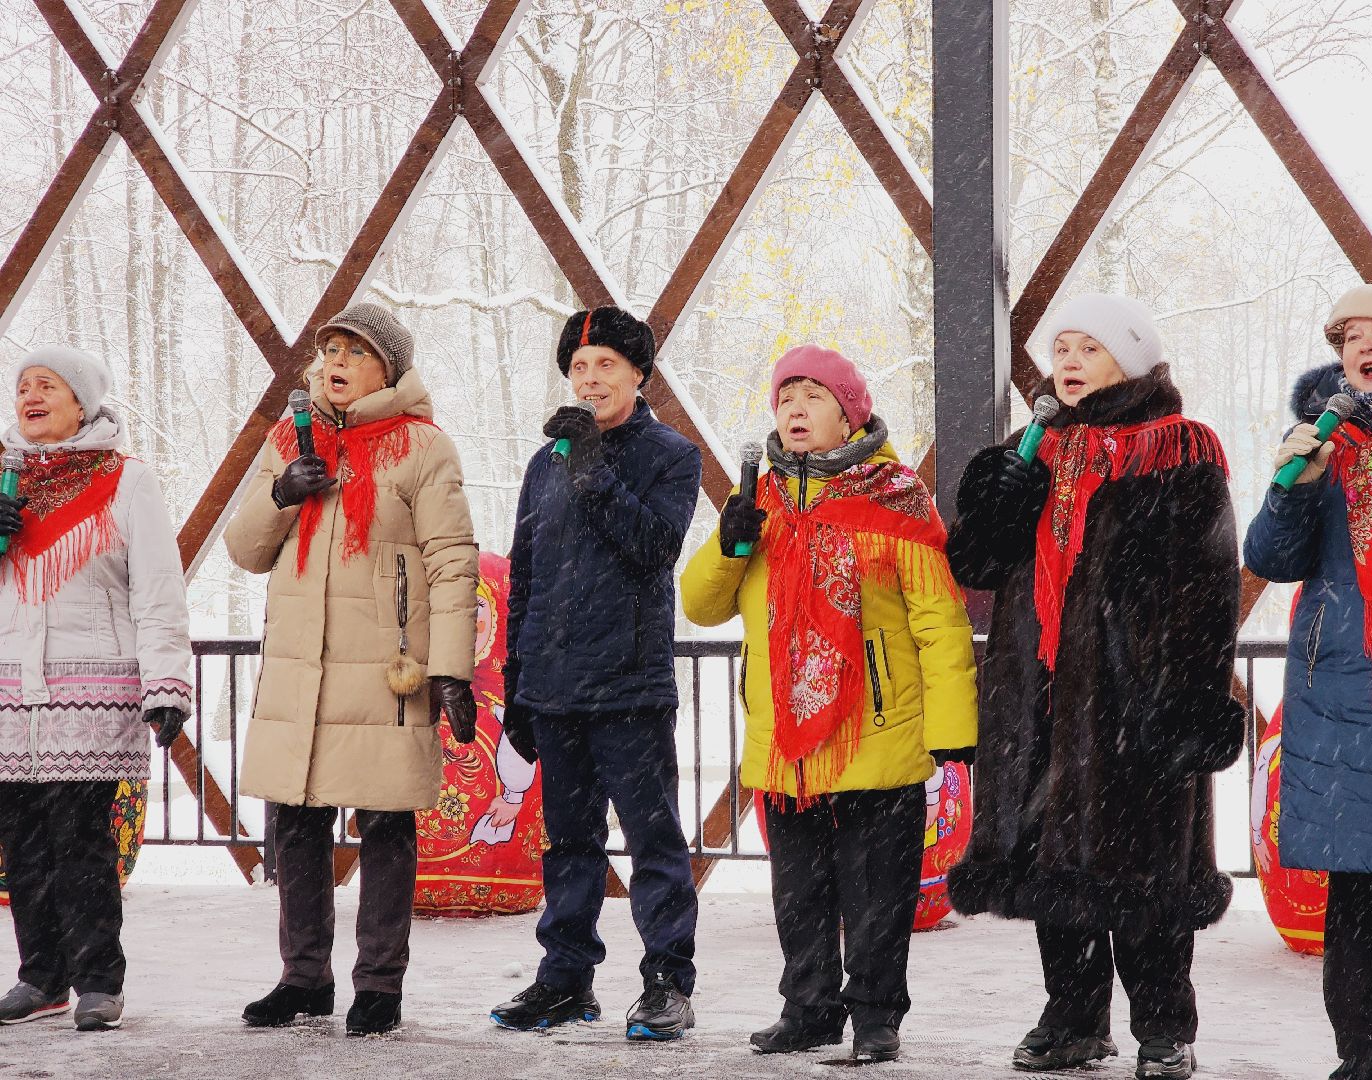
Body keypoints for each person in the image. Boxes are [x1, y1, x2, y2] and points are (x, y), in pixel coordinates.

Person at [947, 294, 1242, 1080]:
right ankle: (1073, 1018)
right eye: (1062, 349)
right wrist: (993, 503)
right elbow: (974, 568)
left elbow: (1208, 581)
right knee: (1052, 868)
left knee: (1145, 868)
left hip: (1135, 697)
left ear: (1133, 359)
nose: (1068, 362)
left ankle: (1162, 1024)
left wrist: (1191, 692)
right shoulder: (1031, 447)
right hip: (1037, 692)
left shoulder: (1178, 446)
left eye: (1088, 348)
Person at [680, 344, 978, 1063]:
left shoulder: (895, 499)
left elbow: (938, 620)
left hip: (877, 731)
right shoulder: (757, 502)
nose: (795, 411)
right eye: (785, 399)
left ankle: (876, 1018)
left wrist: (952, 732)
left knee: (878, 899)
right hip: (785, 740)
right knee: (799, 894)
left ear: (850, 414)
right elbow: (700, 602)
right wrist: (730, 544)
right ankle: (808, 1009)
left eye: (812, 398)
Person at [225, 302, 478, 1036]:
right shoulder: (290, 438)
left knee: (386, 825)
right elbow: (245, 551)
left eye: (355, 350)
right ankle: (303, 978)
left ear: (388, 369)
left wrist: (451, 669)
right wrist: (281, 494)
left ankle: (378, 985)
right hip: (302, 672)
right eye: (330, 346)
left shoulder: (423, 447)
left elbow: (452, 560)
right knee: (296, 825)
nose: (335, 360)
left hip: (383, 669)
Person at [489, 305, 702, 1042]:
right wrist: (518, 687)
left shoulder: (670, 454)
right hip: (554, 688)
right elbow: (529, 575)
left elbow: (653, 547)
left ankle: (667, 982)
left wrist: (591, 468)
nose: (590, 379)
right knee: (569, 844)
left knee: (654, 842)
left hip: (631, 687)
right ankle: (564, 981)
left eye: (605, 365)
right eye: (579, 368)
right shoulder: (542, 464)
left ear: (638, 374)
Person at [1244, 284, 1372, 1080]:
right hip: (1343, 701)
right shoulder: (1322, 450)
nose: (1362, 343)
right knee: (1355, 906)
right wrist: (1290, 483)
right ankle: (1365, 1060)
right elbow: (1269, 558)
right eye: (1348, 334)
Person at [0, 346, 193, 1031]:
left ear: (82, 401)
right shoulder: (3, 480)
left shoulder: (125, 480)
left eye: (47, 385)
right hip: (11, 692)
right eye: (23, 386)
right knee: (20, 843)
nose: (31, 395)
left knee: (80, 838)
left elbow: (158, 587)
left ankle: (97, 981)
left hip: (93, 687)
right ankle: (40, 976)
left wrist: (167, 683)